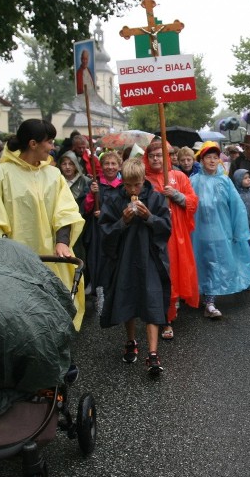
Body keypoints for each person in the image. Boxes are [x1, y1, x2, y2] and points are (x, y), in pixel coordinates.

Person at [0, 119, 86, 329]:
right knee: (21, 318)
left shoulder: (53, 174)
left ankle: (61, 359)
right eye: (49, 142)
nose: (52, 147)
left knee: (58, 311)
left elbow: (65, 211)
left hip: (53, 259)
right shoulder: (0, 175)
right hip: (14, 264)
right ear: (33, 144)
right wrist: (2, 256)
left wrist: (63, 242)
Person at [98, 158, 171, 374]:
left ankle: (153, 353)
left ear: (143, 179)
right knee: (127, 297)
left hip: (150, 256)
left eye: (137, 184)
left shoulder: (156, 198)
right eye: (128, 185)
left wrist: (149, 217)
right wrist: (123, 222)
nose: (132, 189)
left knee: (152, 299)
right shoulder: (112, 199)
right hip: (125, 258)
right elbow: (105, 232)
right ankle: (131, 341)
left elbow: (166, 227)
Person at [143, 140, 200, 339]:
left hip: (176, 234)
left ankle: (168, 316)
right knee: (157, 274)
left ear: (167, 157)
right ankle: (158, 315)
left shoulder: (178, 176)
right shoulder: (144, 180)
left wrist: (176, 195)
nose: (156, 159)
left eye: (160, 155)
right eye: (152, 156)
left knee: (174, 272)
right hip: (153, 234)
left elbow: (193, 201)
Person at [192, 143, 250, 317]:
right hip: (200, 233)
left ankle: (209, 301)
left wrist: (239, 231)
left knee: (215, 263)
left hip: (221, 231)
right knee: (203, 263)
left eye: (215, 157)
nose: (212, 161)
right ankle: (203, 295)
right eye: (208, 157)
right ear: (201, 160)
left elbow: (237, 207)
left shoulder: (225, 181)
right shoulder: (194, 181)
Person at [84, 150, 123, 296]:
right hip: (97, 230)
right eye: (107, 163)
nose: (110, 167)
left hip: (114, 229)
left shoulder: (122, 187)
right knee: (96, 257)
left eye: (114, 164)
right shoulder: (95, 185)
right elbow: (86, 208)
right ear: (101, 166)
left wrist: (106, 214)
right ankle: (95, 284)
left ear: (119, 167)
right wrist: (91, 195)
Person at [232, 168, 250, 276]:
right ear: (238, 180)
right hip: (240, 230)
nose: (248, 180)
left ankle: (248, 277)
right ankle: (241, 275)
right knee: (241, 254)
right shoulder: (235, 196)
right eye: (245, 178)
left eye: (249, 178)